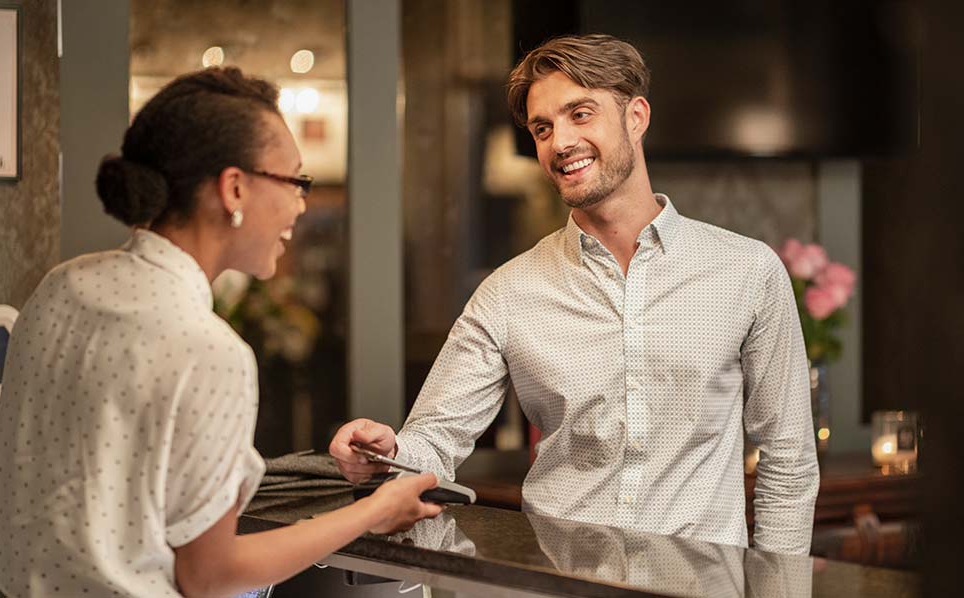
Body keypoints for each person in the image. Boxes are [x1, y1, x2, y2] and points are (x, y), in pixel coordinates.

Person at [331, 34, 819, 555]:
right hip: (556, 585)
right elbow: (434, 440)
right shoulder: (508, 292)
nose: (559, 142)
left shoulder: (746, 271)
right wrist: (383, 453)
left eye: (580, 114)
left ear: (636, 117)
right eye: (543, 128)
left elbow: (788, 461)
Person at [0, 67, 442, 598]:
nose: (301, 206)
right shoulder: (209, 350)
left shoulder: (63, 285)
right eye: (294, 182)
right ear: (234, 188)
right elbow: (211, 575)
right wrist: (374, 511)